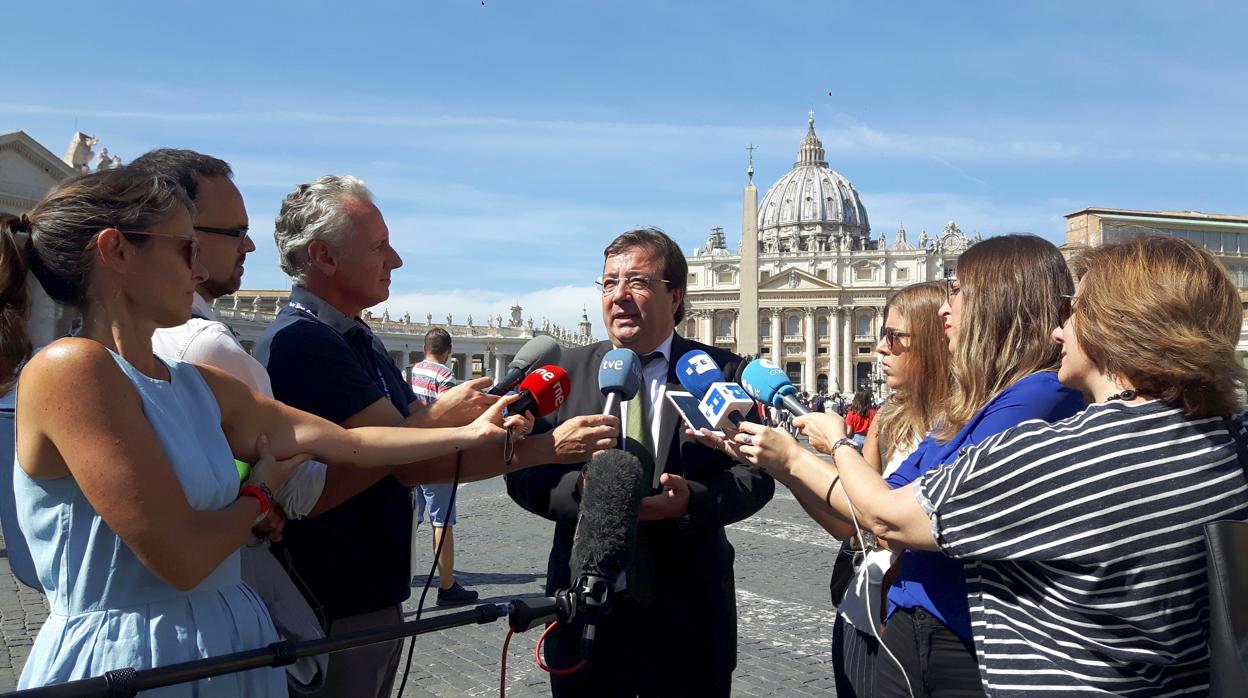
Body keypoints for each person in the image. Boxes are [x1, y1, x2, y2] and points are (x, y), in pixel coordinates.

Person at [0, 169, 531, 694]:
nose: (200, 268)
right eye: (186, 248)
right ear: (116, 251)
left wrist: (471, 433)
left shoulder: (196, 382)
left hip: (227, 643)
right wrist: (260, 494)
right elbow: (182, 557)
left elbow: (346, 441)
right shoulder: (72, 369)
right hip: (139, 657)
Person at [792, 234, 1248, 695]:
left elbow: (886, 517)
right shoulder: (1229, 442)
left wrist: (829, 445)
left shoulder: (1052, 455)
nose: (1057, 329)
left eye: (1074, 311)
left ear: (1117, 327)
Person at [257, 175, 618, 698]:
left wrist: (518, 438)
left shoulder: (357, 338)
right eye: (379, 246)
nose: (396, 259)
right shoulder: (305, 345)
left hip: (366, 592)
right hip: (329, 596)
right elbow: (406, 458)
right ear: (324, 257)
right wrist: (526, 442)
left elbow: (421, 453)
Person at [724, 235, 1085, 696]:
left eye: (957, 291)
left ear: (997, 302)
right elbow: (867, 510)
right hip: (911, 624)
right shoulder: (971, 410)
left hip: (961, 636)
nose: (945, 308)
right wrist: (781, 462)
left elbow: (884, 514)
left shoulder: (1030, 400)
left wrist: (814, 450)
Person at [506, 227, 775, 696]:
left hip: (689, 610)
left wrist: (694, 501)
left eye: (637, 282)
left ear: (675, 296)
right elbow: (521, 472)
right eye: (609, 283)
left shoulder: (721, 372)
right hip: (584, 605)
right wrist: (584, 493)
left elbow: (756, 476)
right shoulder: (560, 375)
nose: (619, 295)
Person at [132, 148, 331, 691]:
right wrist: (267, 488)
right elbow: (303, 488)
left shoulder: (102, 350)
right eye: (236, 231)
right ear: (179, 233)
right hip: (210, 611)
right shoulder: (206, 343)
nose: (249, 245)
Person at [833, 281, 951, 697]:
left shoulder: (959, 428)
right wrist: (779, 463)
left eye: (893, 336)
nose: (879, 347)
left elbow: (881, 520)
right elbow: (849, 522)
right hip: (860, 607)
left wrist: (833, 447)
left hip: (908, 619)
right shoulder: (889, 418)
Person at [407, 326, 477, 606]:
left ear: (425, 349)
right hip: (436, 455)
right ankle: (447, 586)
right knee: (442, 521)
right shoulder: (445, 375)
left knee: (412, 518)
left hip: (410, 453)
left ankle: (398, 575)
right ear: (448, 353)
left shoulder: (408, 373)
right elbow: (452, 415)